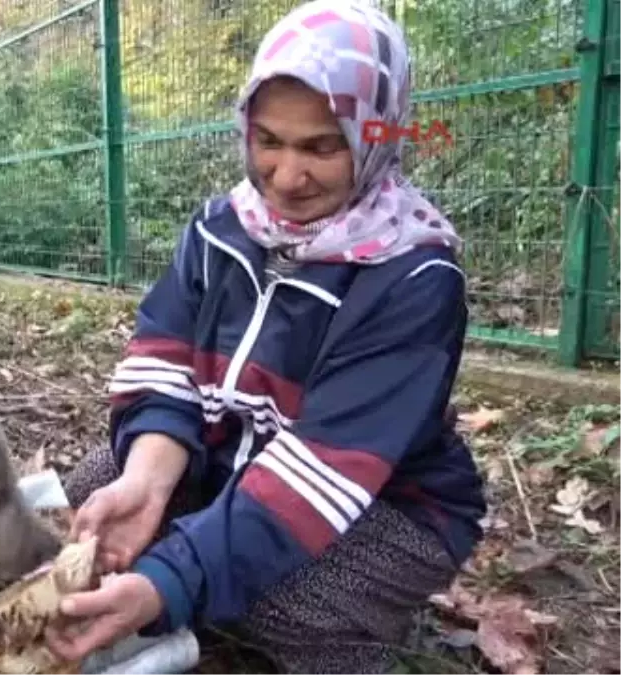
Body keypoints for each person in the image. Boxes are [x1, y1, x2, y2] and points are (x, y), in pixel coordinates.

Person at [44, 1, 488, 673]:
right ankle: (208, 559)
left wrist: (172, 579)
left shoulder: (413, 276)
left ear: (376, 135)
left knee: (282, 605)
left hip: (385, 506)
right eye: (269, 140)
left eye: (321, 145)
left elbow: (321, 470)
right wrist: (149, 475)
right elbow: (165, 359)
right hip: (237, 458)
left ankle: (369, 640)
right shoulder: (220, 227)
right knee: (95, 494)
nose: (285, 176)